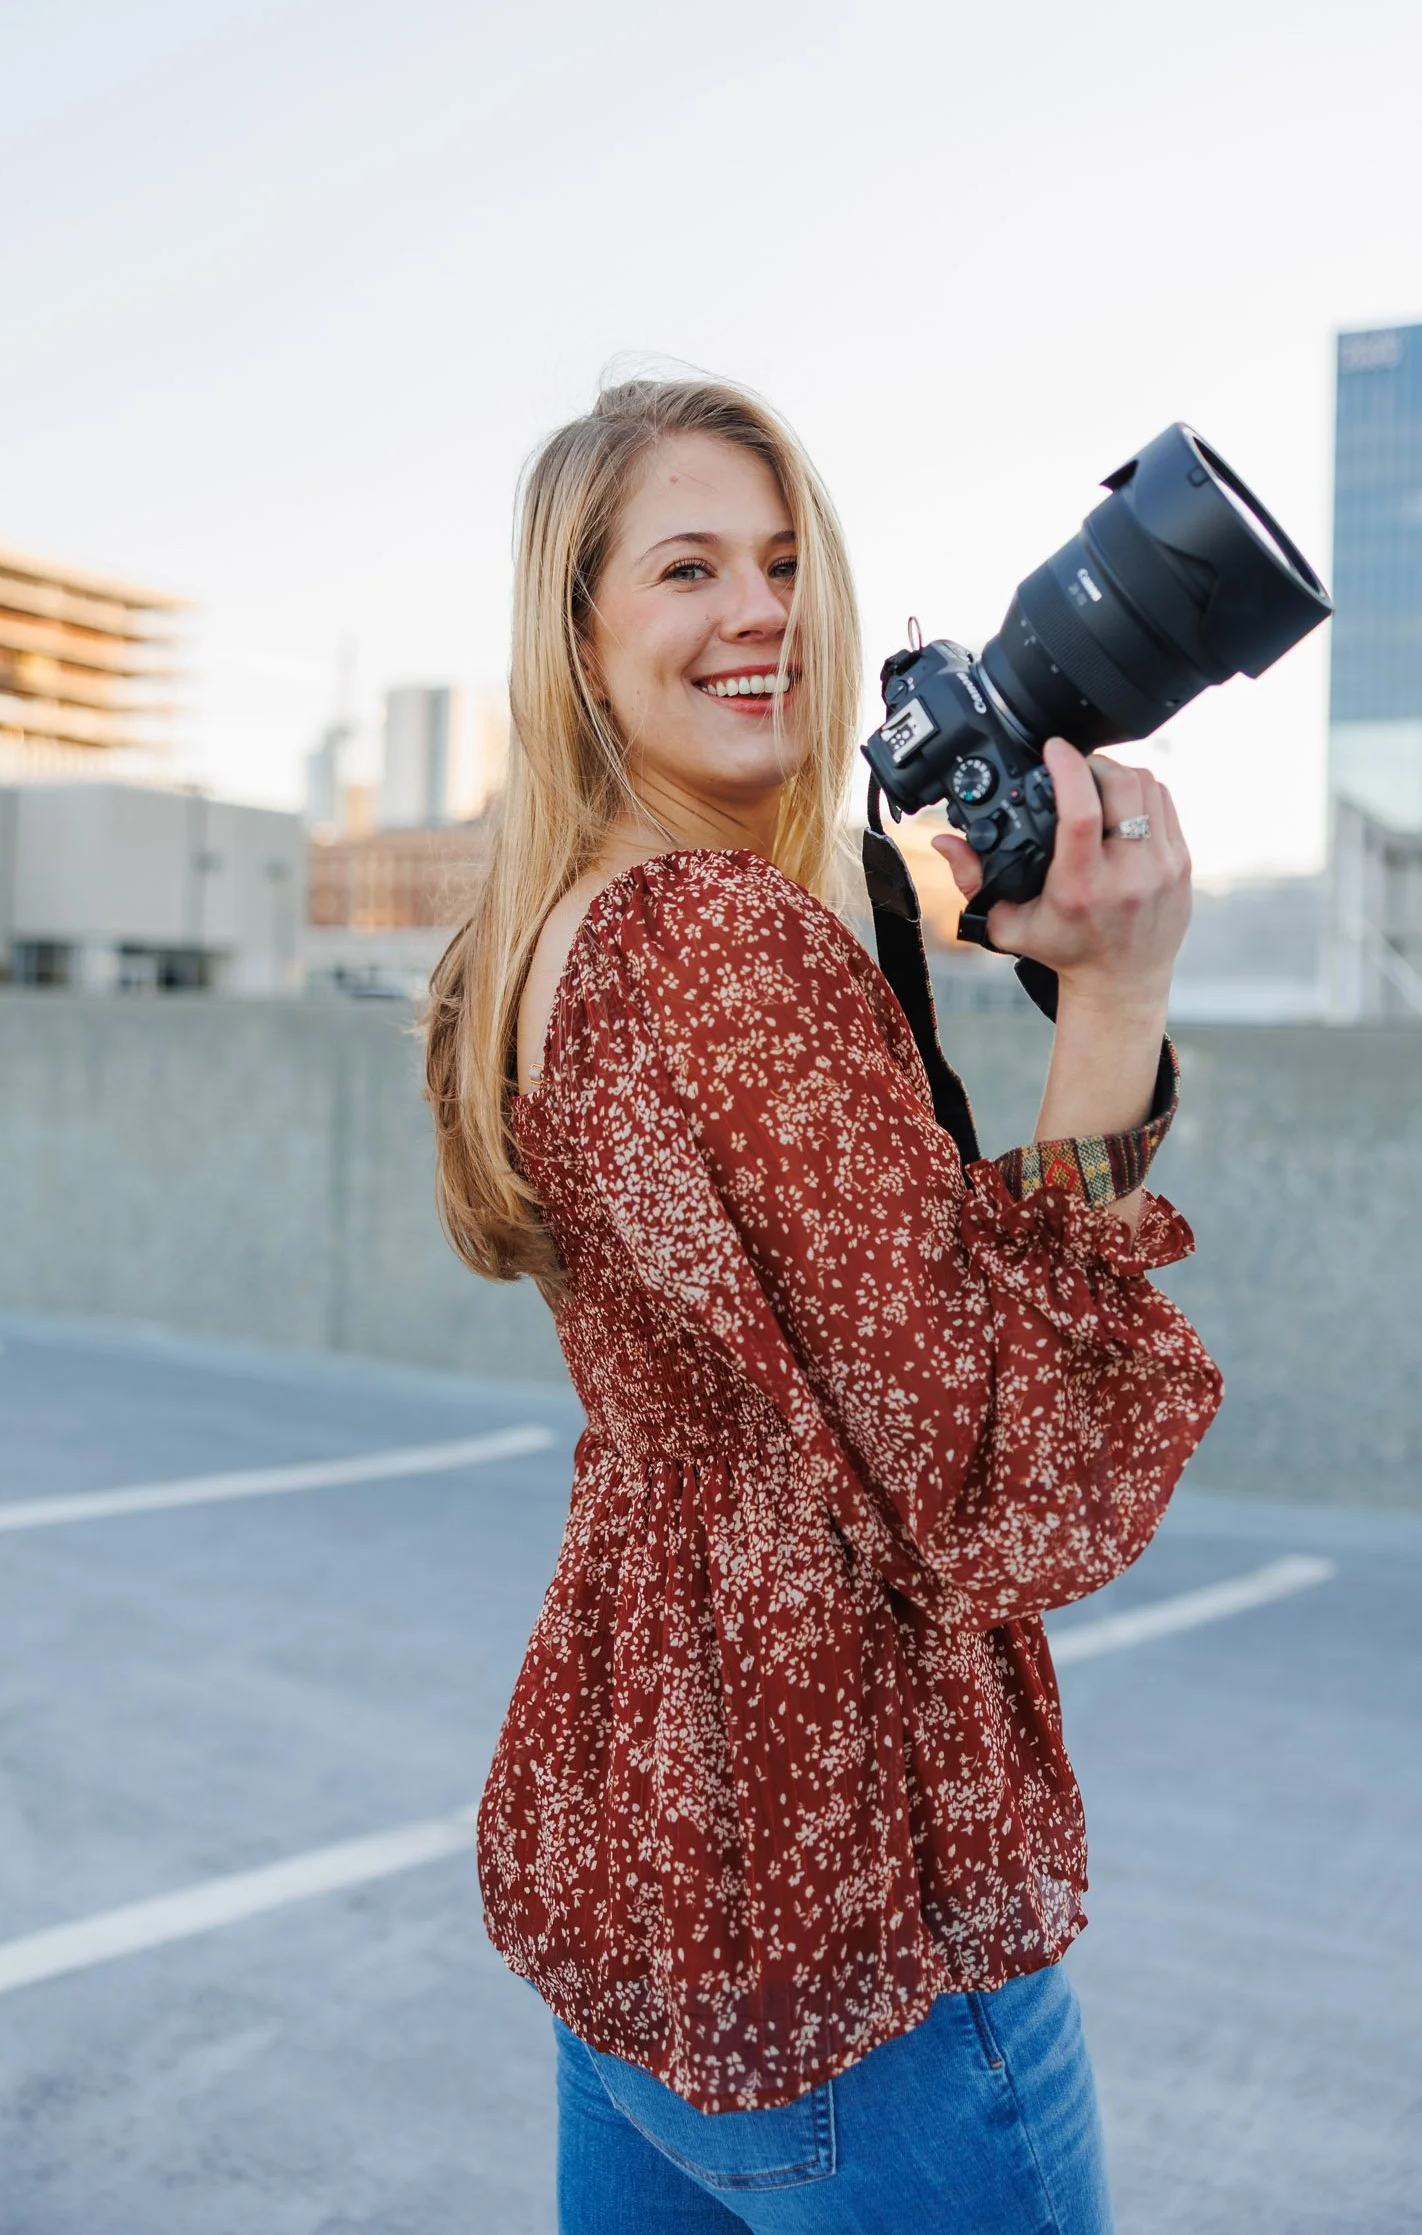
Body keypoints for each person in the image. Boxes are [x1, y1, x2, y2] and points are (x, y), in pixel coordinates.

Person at [424, 376, 1221, 2234]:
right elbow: (1002, 1472)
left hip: (653, 1866)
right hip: (846, 1876)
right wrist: (1113, 1006)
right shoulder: (713, 943)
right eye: (686, 568)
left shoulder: (543, 938)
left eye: (784, 561)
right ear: (579, 633)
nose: (759, 610)